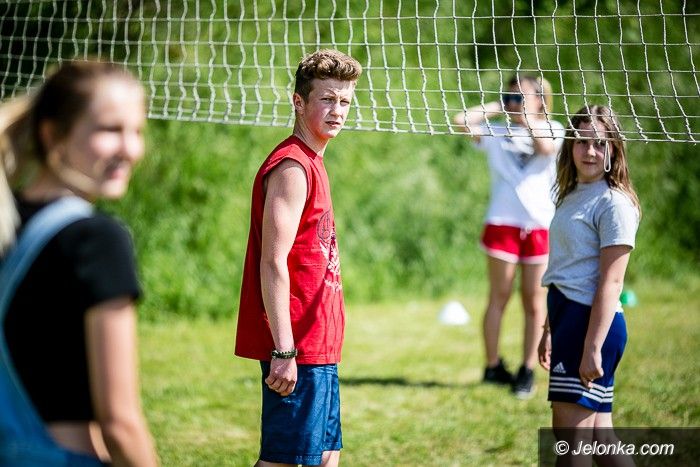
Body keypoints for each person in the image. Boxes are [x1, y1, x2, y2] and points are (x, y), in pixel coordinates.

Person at [0, 61, 159, 466]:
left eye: (137, 131)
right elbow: (119, 424)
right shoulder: (97, 241)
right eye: (109, 130)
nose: (130, 149)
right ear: (53, 134)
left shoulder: (6, 220)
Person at [234, 49, 362, 466]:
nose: (337, 110)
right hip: (297, 348)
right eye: (327, 99)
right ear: (299, 102)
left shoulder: (314, 160)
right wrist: (285, 351)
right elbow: (272, 262)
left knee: (325, 457)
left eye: (344, 101)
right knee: (285, 462)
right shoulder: (292, 166)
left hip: (320, 345)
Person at [538, 105, 640, 464]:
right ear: (570, 145)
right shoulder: (570, 194)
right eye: (582, 142)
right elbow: (566, 269)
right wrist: (549, 328)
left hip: (590, 326)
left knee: (572, 445)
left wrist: (592, 347)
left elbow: (611, 282)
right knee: (599, 440)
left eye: (600, 143)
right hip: (567, 319)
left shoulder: (614, 203)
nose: (590, 151)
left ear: (614, 148)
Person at [453, 75, 565, 398]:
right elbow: (460, 121)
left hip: (539, 225)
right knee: (498, 297)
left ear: (539, 99)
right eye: (509, 96)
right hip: (502, 223)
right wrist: (498, 107)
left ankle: (527, 369)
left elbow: (545, 148)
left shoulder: (553, 128)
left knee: (533, 300)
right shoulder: (497, 130)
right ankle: (492, 366)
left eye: (520, 97)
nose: (514, 102)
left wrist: (528, 118)